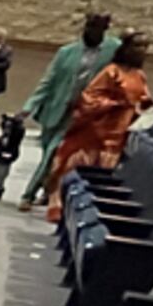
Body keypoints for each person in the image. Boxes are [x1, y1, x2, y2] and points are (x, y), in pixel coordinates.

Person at [44, 29, 153, 220]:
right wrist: (116, 103)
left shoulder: (139, 75)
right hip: (95, 133)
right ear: (126, 48)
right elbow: (89, 98)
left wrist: (146, 105)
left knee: (103, 180)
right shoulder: (111, 72)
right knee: (76, 173)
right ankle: (63, 211)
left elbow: (143, 99)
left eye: (145, 46)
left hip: (118, 136)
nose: (142, 50)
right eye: (137, 46)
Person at [16, 12, 120, 212]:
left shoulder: (114, 50)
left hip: (85, 115)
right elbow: (48, 81)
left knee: (55, 153)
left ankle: (28, 194)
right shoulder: (66, 52)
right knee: (50, 153)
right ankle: (48, 192)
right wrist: (29, 106)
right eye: (89, 26)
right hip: (57, 110)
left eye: (97, 27)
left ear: (105, 29)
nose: (91, 31)